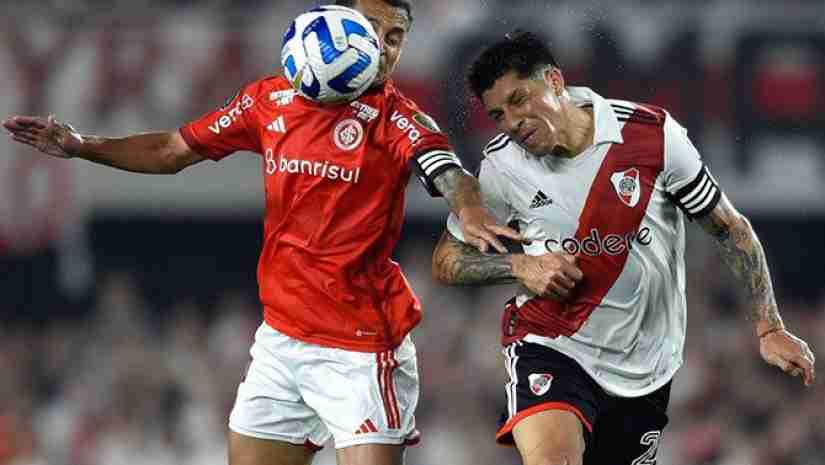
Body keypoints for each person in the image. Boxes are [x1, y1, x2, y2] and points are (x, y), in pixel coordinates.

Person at [2, 2, 524, 465]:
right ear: (333, 26)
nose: (381, 48)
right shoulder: (268, 102)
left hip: (362, 352)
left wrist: (471, 210)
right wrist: (79, 144)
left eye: (395, 38)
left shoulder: (397, 119)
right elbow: (172, 151)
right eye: (368, 29)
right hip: (280, 343)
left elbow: (448, 171)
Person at [431, 31, 816, 465]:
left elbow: (730, 229)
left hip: (646, 367)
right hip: (553, 346)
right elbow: (448, 261)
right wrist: (519, 266)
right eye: (498, 114)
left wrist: (769, 327)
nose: (512, 122)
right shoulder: (502, 166)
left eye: (520, 99)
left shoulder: (653, 137)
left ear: (555, 81)